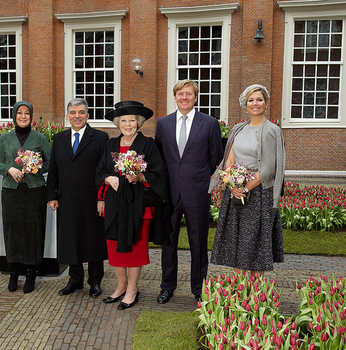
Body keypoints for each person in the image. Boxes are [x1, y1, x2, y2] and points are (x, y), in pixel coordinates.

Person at [96, 101, 171, 310]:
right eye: (123, 120)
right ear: (117, 123)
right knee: (114, 246)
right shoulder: (111, 144)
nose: (127, 124)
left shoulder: (148, 144)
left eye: (131, 120)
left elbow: (158, 174)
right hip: (114, 203)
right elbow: (100, 170)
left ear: (138, 123)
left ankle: (132, 290)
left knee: (135, 247)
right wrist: (108, 180)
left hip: (139, 204)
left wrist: (139, 175)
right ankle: (120, 287)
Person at [155, 79, 223, 303]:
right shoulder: (163, 123)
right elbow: (159, 159)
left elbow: (217, 160)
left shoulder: (210, 123)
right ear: (174, 97)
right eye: (180, 94)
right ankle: (167, 286)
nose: (184, 98)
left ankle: (199, 288)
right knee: (168, 243)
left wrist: (209, 187)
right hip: (170, 194)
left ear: (195, 97)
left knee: (198, 243)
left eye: (189, 94)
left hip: (198, 193)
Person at [208, 84, 285, 277]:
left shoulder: (271, 130)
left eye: (259, 99)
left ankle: (255, 296)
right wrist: (234, 187)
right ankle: (240, 292)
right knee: (236, 244)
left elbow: (268, 168)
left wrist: (245, 188)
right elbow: (229, 160)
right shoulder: (238, 128)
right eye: (251, 100)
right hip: (235, 193)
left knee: (255, 246)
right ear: (246, 103)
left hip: (259, 194)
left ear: (266, 102)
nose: (255, 103)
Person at [46, 98, 109, 298]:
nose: (77, 116)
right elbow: (53, 169)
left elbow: (104, 170)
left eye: (81, 112)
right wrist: (51, 196)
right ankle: (75, 279)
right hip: (66, 199)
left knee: (93, 240)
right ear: (67, 116)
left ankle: (95, 281)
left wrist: (102, 198)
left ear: (87, 115)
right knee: (70, 239)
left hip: (92, 199)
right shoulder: (59, 139)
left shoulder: (100, 138)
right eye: (73, 112)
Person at [0, 101, 51, 293]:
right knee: (12, 230)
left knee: (33, 230)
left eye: (27, 113)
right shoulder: (5, 138)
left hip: (34, 191)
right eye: (20, 113)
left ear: (31, 116)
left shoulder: (40, 138)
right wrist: (9, 169)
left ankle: (31, 273)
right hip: (11, 190)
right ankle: (14, 272)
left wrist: (36, 168)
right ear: (14, 115)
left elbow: (50, 163)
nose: (23, 116)